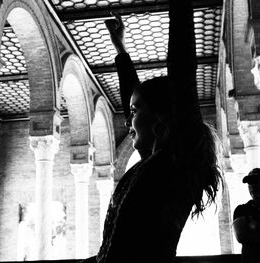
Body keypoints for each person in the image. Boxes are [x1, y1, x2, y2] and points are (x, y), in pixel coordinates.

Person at [85, 1, 223, 262]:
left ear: (162, 120)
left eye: (135, 112)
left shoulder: (177, 161)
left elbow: (182, 70)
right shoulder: (154, 163)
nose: (128, 121)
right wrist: (120, 51)